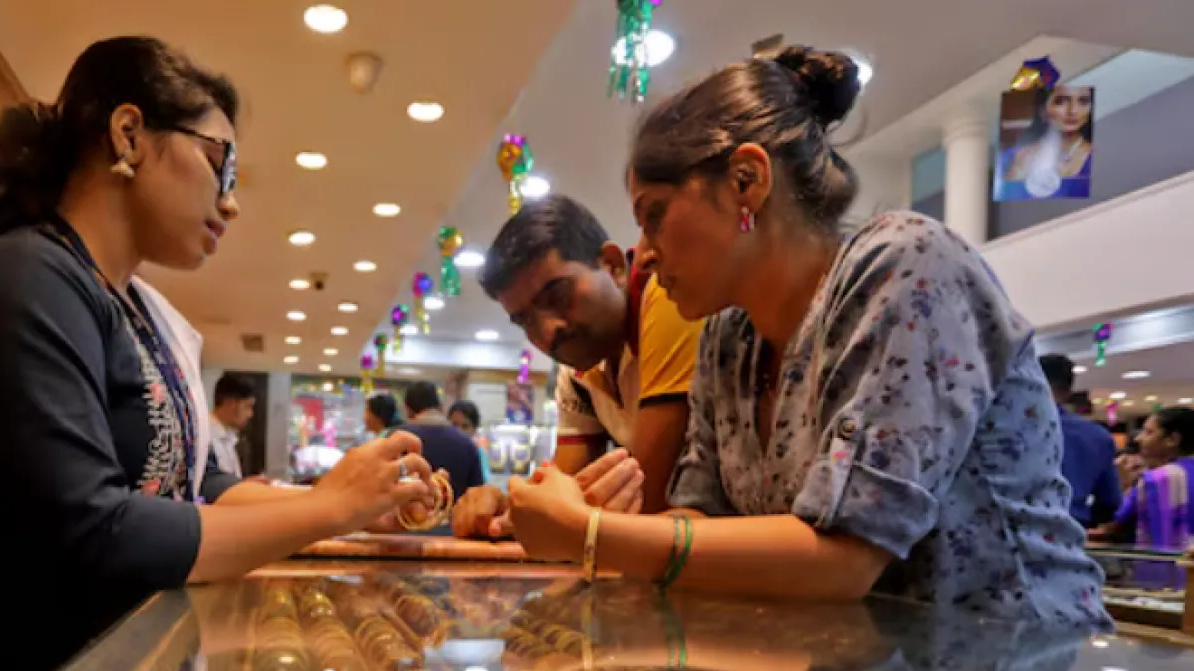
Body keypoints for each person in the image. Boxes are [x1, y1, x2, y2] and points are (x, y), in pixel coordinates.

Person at [0, 37, 434, 671]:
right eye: (220, 163)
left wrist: (356, 507)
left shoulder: (131, 310)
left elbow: (201, 487)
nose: (231, 200)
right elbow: (89, 530)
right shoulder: (17, 279)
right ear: (129, 134)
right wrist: (327, 508)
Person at [506, 46, 1106, 626]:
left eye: (654, 214)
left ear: (746, 180)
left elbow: (842, 559)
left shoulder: (905, 263)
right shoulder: (725, 336)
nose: (647, 255)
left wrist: (591, 534)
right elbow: (698, 516)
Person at [458, 195, 703, 528]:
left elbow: (647, 497)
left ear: (613, 266)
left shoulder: (664, 294)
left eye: (557, 296)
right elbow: (564, 487)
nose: (548, 331)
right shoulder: (576, 370)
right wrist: (503, 508)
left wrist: (538, 514)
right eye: (525, 320)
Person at [1091, 408, 1194, 554]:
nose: (1138, 438)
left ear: (1172, 440)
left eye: (1148, 432)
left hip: (1162, 567)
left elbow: (1115, 526)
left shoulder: (1156, 480)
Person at [1039, 354, 1119, 526]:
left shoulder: (1007, 427)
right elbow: (1109, 501)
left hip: (1008, 535)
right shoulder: (1098, 436)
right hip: (1072, 531)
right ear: (1068, 392)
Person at [996, 84, 1094, 201]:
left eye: (1083, 102)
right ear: (1042, 110)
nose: (1073, 111)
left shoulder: (1096, 156)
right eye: (1061, 101)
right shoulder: (1011, 158)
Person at [398, 382, 486, 504]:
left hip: (406, 521)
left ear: (408, 409)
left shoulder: (397, 439)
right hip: (455, 520)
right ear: (440, 407)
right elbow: (478, 495)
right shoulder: (467, 444)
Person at [210, 372, 255, 476]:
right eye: (248, 407)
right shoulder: (206, 438)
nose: (251, 414)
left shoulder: (229, 436)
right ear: (231, 403)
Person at [448, 398, 493, 483]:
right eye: (454, 425)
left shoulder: (478, 454)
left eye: (465, 426)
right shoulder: (443, 450)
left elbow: (483, 483)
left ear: (474, 429)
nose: (459, 431)